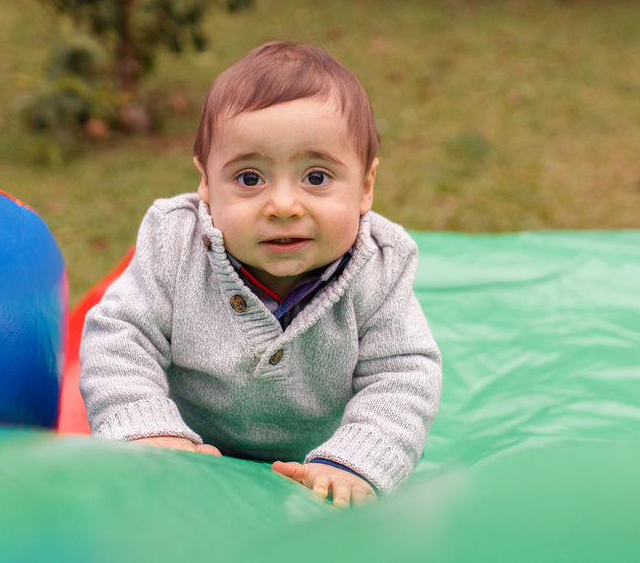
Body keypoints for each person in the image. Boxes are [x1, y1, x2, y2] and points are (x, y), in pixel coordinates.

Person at [79, 41, 442, 508]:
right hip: (190, 456)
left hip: (316, 468)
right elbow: (120, 336)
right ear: (207, 184)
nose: (284, 207)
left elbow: (402, 374)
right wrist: (148, 429)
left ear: (365, 187)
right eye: (250, 178)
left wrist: (353, 461)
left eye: (316, 177)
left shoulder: (380, 267)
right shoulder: (175, 244)